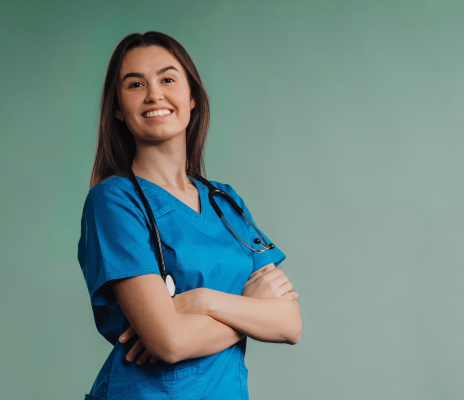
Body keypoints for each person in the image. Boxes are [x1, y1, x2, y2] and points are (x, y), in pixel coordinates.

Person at [77, 31, 302, 400]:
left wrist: (200, 301)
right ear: (117, 107)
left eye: (167, 79)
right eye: (135, 84)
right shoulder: (113, 202)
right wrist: (253, 310)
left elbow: (289, 324)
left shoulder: (224, 201)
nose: (154, 94)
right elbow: (169, 342)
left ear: (192, 96)